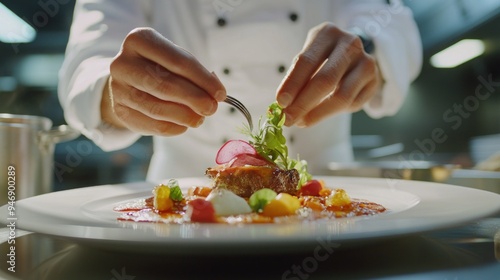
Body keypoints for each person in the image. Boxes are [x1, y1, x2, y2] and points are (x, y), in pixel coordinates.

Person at [58, 0, 422, 182]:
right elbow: (85, 61)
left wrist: (369, 46)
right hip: (182, 207)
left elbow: (389, 15)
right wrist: (113, 91)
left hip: (327, 204)